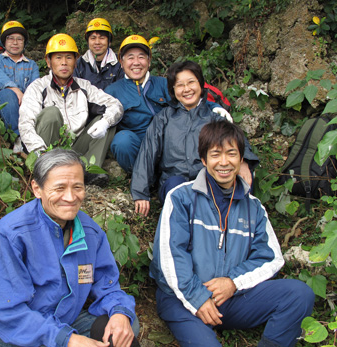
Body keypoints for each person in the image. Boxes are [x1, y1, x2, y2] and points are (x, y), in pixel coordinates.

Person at [150, 120, 315, 347]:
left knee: (299, 294)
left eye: (231, 153)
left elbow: (270, 257)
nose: (224, 162)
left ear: (240, 159)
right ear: (204, 159)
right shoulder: (181, 197)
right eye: (216, 154)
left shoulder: (254, 207)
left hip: (230, 299)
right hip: (181, 299)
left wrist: (233, 282)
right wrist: (198, 298)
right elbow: (171, 256)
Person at [0, 149, 140, 347]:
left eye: (77, 187)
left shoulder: (90, 232)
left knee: (124, 330)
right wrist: (67, 339)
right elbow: (7, 311)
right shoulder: (12, 233)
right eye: (59, 188)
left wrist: (119, 312)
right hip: (5, 327)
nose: (70, 197)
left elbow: (107, 285)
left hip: (63, 318)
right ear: (37, 189)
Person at [131, 61, 259, 216]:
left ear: (200, 84)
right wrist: (140, 193)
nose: (186, 89)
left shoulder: (214, 117)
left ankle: (236, 226)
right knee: (176, 188)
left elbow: (236, 141)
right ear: (173, 89)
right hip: (174, 180)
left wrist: (244, 161)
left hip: (209, 178)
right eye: (180, 85)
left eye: (191, 82)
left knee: (238, 180)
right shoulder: (164, 118)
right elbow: (148, 153)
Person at [105, 35, 231, 173]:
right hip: (138, 145)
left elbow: (189, 99)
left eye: (141, 57)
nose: (136, 62)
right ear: (121, 63)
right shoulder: (112, 90)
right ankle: (141, 176)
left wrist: (214, 107)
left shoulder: (163, 83)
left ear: (149, 61)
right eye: (130, 57)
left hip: (169, 142)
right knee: (122, 141)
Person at [19, 33, 123, 186]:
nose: (64, 63)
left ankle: (88, 171)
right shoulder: (38, 87)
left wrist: (105, 122)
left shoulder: (84, 86)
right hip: (48, 150)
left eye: (69, 57)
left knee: (107, 120)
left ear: (75, 62)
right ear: (48, 62)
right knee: (51, 113)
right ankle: (48, 169)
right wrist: (38, 151)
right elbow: (25, 123)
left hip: (75, 145)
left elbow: (116, 105)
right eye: (58, 58)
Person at [0, 21, 39, 137]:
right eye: (10, 38)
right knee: (8, 94)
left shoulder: (31, 65)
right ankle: (20, 138)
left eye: (19, 39)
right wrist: (16, 90)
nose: (15, 42)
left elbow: (35, 87)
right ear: (4, 42)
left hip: (22, 105)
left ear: (24, 42)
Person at [74, 18, 124, 90]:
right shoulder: (79, 64)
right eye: (93, 38)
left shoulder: (119, 63)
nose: (97, 42)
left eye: (102, 38)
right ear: (88, 41)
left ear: (109, 41)